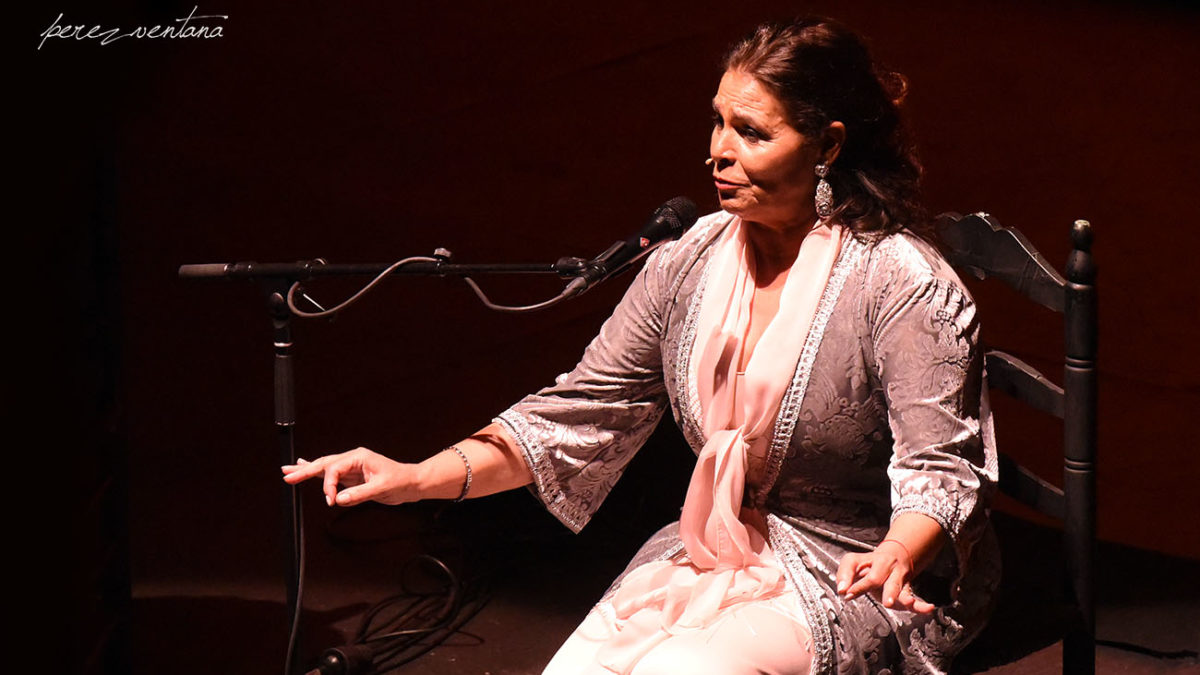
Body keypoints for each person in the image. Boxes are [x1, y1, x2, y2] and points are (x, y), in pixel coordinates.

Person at [282, 16, 999, 675]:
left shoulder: (898, 282)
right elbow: (578, 412)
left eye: (752, 132)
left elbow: (940, 467)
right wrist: (411, 478)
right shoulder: (689, 261)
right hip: (727, 547)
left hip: (858, 567)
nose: (719, 150)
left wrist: (900, 553)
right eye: (718, 122)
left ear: (829, 145)